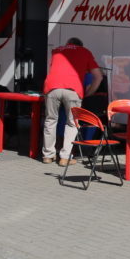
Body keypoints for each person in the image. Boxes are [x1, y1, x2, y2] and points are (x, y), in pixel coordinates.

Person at [42, 37, 103, 166]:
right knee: (72, 123)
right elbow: (98, 76)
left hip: (52, 88)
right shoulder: (85, 51)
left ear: (67, 44)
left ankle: (48, 155)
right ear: (80, 45)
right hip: (73, 89)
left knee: (50, 120)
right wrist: (88, 93)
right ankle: (65, 157)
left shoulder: (56, 50)